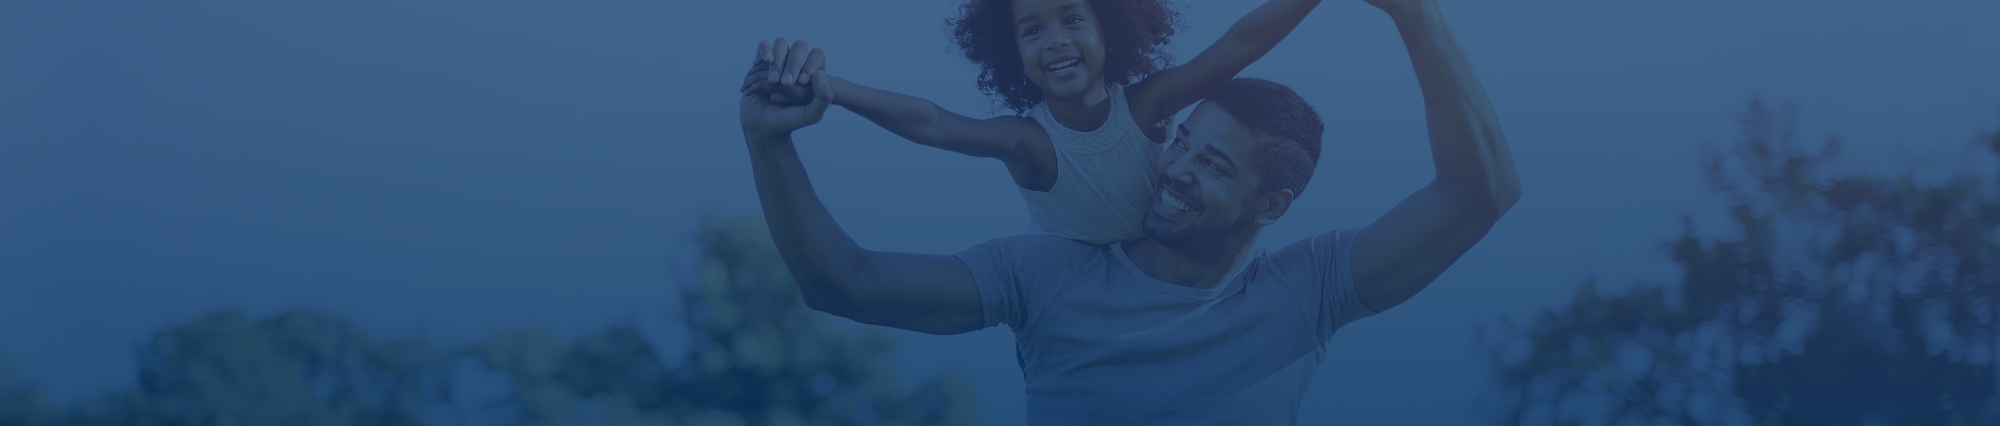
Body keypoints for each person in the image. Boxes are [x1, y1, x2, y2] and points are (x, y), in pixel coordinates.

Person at [735, 0, 1519, 423]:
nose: (1174, 167)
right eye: (1183, 143)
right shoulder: (1044, 274)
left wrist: (1416, 14)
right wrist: (771, 144)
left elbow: (1479, 194)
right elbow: (848, 283)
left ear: (1272, 205)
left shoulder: (1305, 293)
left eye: (1212, 164)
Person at [743, 0, 1327, 244]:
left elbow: (1237, 45)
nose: (1055, 40)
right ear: (1013, 53)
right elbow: (933, 122)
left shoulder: (1147, 106)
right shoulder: (1031, 142)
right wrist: (831, 88)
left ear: (1111, 27)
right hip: (1072, 313)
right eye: (1032, 29)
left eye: (1072, 17)